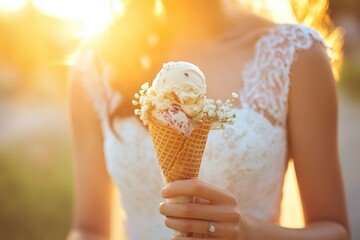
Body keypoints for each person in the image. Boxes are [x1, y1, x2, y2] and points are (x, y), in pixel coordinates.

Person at [67, 0, 350, 239]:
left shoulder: (298, 54)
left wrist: (251, 231)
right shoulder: (96, 65)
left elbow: (335, 230)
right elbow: (88, 229)